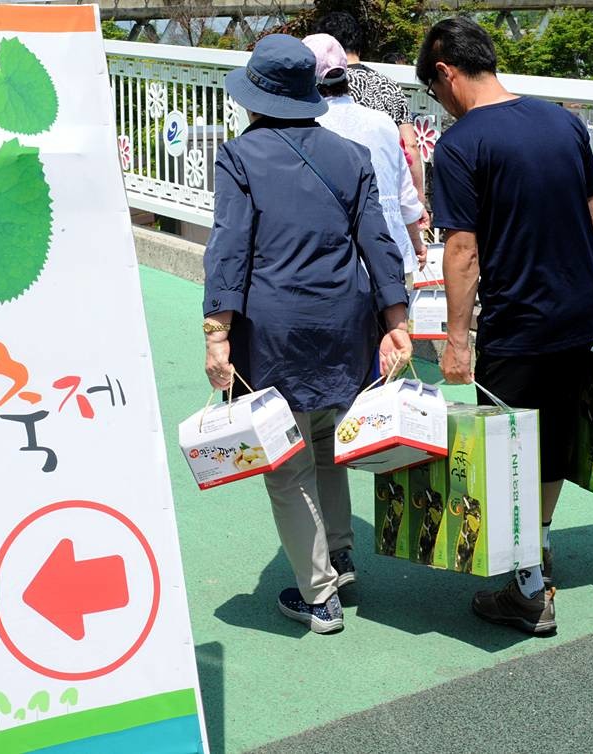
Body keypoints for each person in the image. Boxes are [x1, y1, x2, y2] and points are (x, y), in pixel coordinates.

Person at [202, 34, 412, 634]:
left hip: (273, 327)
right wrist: (396, 322)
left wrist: (218, 334)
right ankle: (340, 554)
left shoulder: (240, 157)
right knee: (327, 440)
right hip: (347, 319)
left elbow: (229, 249)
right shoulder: (351, 155)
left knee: (285, 464)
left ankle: (319, 596)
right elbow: (379, 243)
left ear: (253, 98)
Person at [417, 17, 593, 634]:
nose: (439, 102)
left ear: (446, 73)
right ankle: (541, 547)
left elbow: (463, 251)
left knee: (507, 449)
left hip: (517, 320)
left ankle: (529, 590)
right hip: (576, 311)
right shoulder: (563, 121)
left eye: (433, 88)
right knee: (552, 439)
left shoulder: (459, 146)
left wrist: (455, 339)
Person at [303, 32, 427, 274]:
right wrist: (416, 243)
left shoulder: (307, 127)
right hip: (391, 258)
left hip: (333, 266)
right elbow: (404, 195)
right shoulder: (382, 123)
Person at [314, 11, 428, 228]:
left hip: (340, 203)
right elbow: (410, 146)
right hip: (386, 199)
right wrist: (417, 201)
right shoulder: (389, 86)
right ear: (358, 43)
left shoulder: (325, 89)